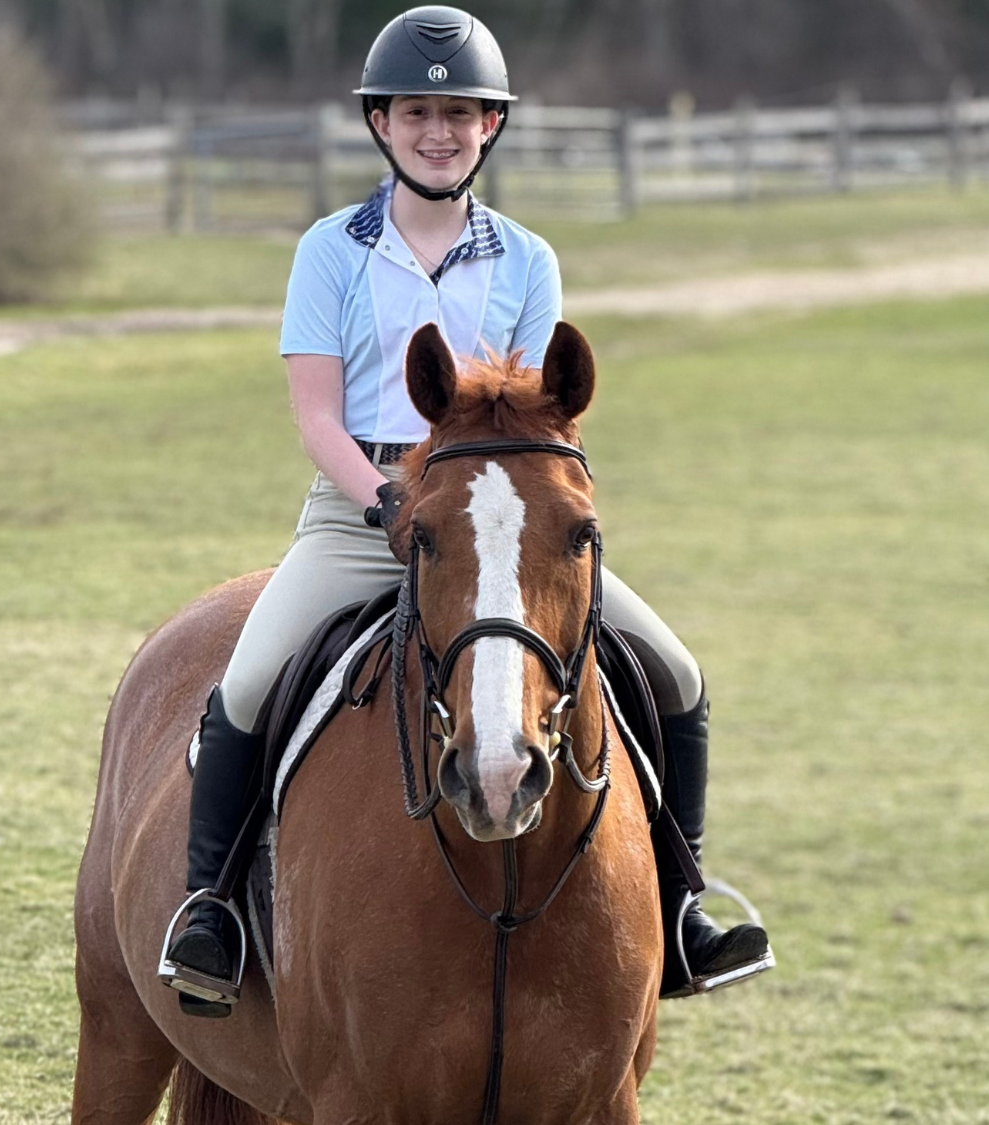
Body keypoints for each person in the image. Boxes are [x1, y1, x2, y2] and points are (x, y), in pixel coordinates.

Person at [164, 5, 770, 1017]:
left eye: (459, 113)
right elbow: (316, 414)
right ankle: (213, 909)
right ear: (381, 124)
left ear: (490, 126)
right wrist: (388, 500)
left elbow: (538, 409)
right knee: (250, 678)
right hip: (364, 510)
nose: (437, 130)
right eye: (416, 112)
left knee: (673, 671)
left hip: (501, 524)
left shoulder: (527, 258)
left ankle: (681, 905)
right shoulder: (330, 250)